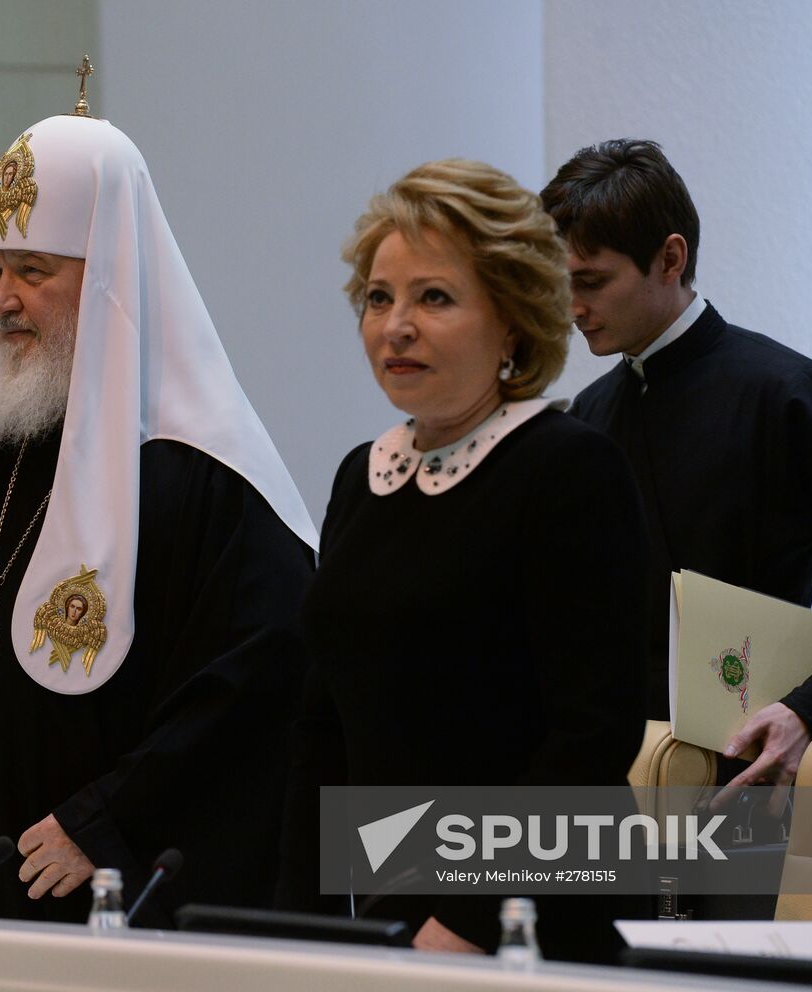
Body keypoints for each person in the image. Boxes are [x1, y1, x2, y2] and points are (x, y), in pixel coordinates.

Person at [0, 89, 318, 926]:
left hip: (114, 903)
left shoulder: (205, 472)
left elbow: (254, 692)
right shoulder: (5, 447)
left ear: (110, 278)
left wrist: (109, 819)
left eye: (34, 272)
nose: (3, 299)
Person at [276, 159, 649, 962]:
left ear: (512, 321)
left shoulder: (567, 468)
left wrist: (469, 919)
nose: (395, 326)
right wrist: (300, 927)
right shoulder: (362, 473)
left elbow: (593, 732)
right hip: (392, 901)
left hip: (539, 917)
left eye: (433, 298)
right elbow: (321, 725)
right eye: (380, 297)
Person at [541, 139, 812, 792]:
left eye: (591, 282)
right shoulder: (587, 416)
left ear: (669, 259)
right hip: (610, 793)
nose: (572, 308)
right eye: (559, 284)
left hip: (749, 800)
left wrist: (807, 712)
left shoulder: (790, 394)